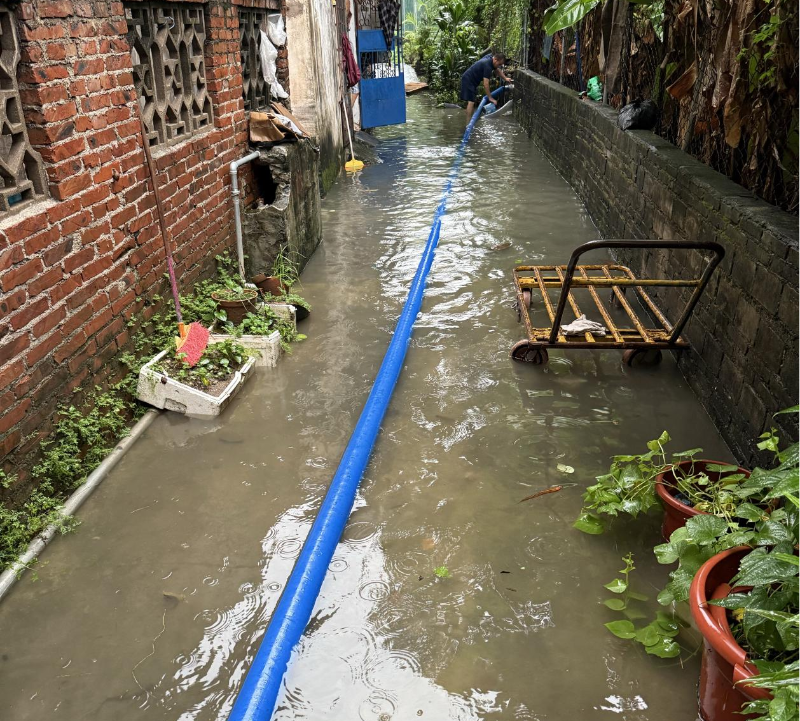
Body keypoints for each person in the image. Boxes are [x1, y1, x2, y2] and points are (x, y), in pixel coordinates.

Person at [460, 52, 512, 120]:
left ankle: (467, 115)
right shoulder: (487, 66)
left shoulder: (490, 58)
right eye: (499, 64)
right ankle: (468, 123)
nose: (499, 66)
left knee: (471, 101)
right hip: (468, 80)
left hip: (470, 80)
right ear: (495, 59)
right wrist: (490, 98)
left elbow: (497, 69)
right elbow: (486, 84)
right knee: (471, 101)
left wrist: (505, 78)